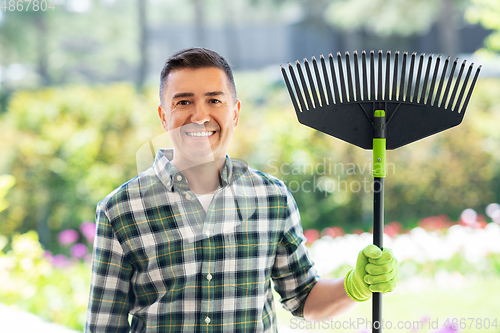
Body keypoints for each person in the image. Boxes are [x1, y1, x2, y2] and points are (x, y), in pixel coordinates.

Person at [85, 47, 399, 333]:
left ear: (234, 112)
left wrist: (355, 285)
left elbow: (303, 299)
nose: (199, 116)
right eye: (183, 102)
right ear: (163, 114)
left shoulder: (271, 199)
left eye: (213, 100)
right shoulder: (121, 210)